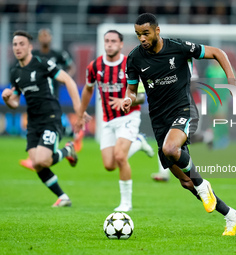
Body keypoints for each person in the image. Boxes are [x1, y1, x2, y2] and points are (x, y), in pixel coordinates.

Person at [122, 13, 236, 236]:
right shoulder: (134, 58)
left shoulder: (178, 47)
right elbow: (133, 91)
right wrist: (129, 99)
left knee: (171, 149)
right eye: (138, 35)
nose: (142, 39)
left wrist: (231, 80)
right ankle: (230, 214)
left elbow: (217, 52)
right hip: (159, 121)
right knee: (187, 183)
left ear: (157, 31)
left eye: (146, 33)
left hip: (184, 110)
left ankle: (204, 186)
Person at [75, 30, 154, 212]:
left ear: (120, 45)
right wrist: (81, 113)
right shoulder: (94, 67)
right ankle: (139, 143)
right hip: (108, 120)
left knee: (120, 157)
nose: (109, 44)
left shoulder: (131, 64)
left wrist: (126, 100)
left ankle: (126, 203)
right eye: (107, 41)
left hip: (129, 116)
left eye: (113, 41)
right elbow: (88, 90)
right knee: (109, 165)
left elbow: (143, 95)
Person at [2, 30, 81, 207]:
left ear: (30, 47)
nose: (18, 48)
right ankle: (63, 197)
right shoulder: (15, 72)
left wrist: (78, 108)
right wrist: (8, 99)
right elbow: (14, 102)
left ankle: (68, 150)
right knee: (37, 164)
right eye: (15, 44)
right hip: (33, 122)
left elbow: (68, 80)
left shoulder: (42, 64)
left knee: (41, 160)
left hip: (51, 117)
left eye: (22, 44)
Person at [19, 28, 82, 171]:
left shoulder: (58, 54)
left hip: (52, 95)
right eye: (42, 35)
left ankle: (39, 156)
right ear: (38, 39)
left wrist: (64, 77)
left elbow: (71, 66)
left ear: (51, 38)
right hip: (37, 96)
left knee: (50, 122)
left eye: (47, 35)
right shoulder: (34, 55)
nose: (44, 38)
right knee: (46, 123)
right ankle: (73, 136)